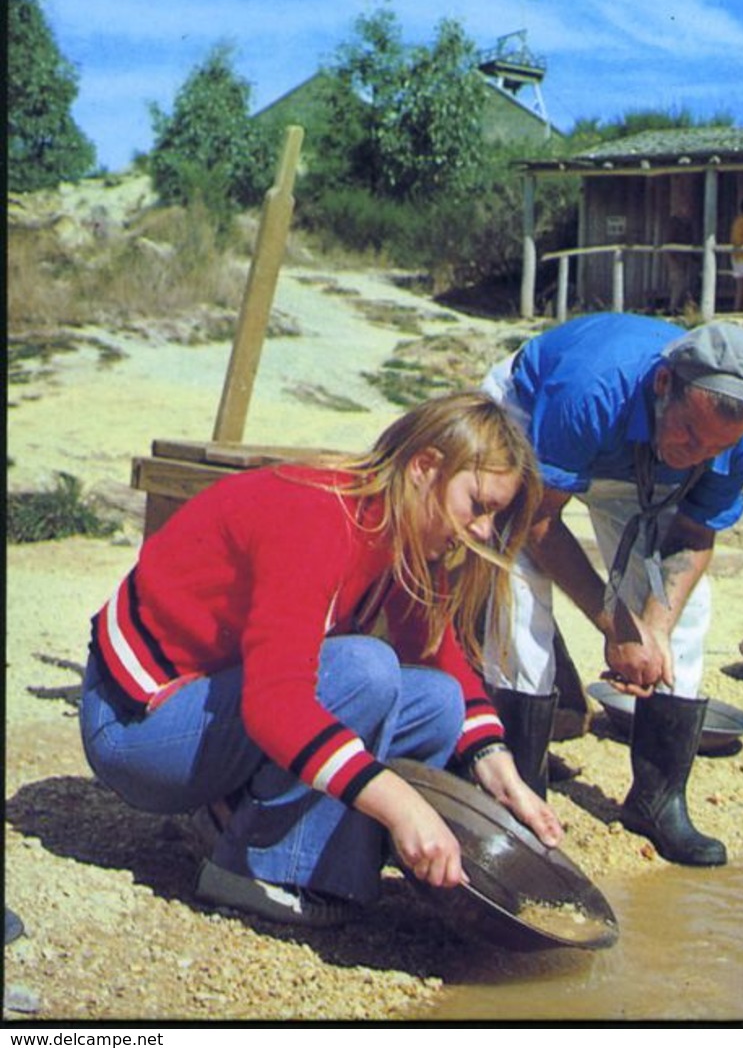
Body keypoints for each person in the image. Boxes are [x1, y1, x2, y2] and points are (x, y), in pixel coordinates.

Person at [80, 393, 562, 927]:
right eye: (480, 505)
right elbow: (274, 703)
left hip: (206, 707)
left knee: (438, 701)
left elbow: (440, 659)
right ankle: (256, 868)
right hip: (135, 727)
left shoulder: (396, 527)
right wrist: (401, 804)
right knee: (366, 671)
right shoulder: (316, 519)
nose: (484, 531)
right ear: (425, 467)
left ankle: (263, 828)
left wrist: (499, 768)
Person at [480, 315, 743, 866]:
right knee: (519, 590)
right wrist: (617, 627)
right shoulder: (590, 388)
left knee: (688, 612)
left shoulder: (740, 437)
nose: (698, 453)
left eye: (716, 447)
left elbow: (694, 534)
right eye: (690, 432)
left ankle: (657, 800)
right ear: (664, 384)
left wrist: (654, 629)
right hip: (540, 422)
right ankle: (518, 796)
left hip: (641, 457)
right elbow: (539, 521)